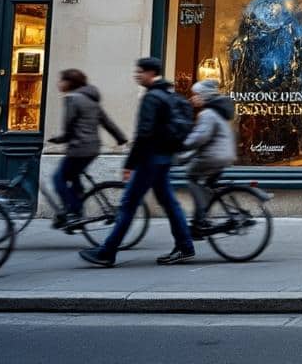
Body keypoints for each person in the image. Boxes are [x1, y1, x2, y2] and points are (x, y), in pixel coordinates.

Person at [79, 57, 195, 267]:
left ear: (151, 73)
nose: (136, 75)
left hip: (150, 159)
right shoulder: (168, 94)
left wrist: (130, 164)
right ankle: (185, 246)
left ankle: (107, 251)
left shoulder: (151, 97)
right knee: (169, 203)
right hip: (164, 157)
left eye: (140, 72)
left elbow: (144, 134)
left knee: (128, 204)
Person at [48, 69, 127, 229]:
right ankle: (76, 215)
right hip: (93, 148)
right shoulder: (91, 100)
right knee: (74, 178)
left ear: (69, 82)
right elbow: (107, 122)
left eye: (61, 80)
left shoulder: (72, 99)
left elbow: (69, 128)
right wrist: (121, 138)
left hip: (79, 148)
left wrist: (58, 139)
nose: (58, 83)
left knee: (58, 179)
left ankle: (72, 214)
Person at [183, 80, 235, 234]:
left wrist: (181, 145)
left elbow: (199, 138)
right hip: (224, 155)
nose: (193, 98)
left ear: (204, 95)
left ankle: (201, 219)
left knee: (191, 177)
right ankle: (202, 216)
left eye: (196, 95)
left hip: (213, 156)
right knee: (208, 184)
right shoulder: (219, 112)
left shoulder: (207, 113)